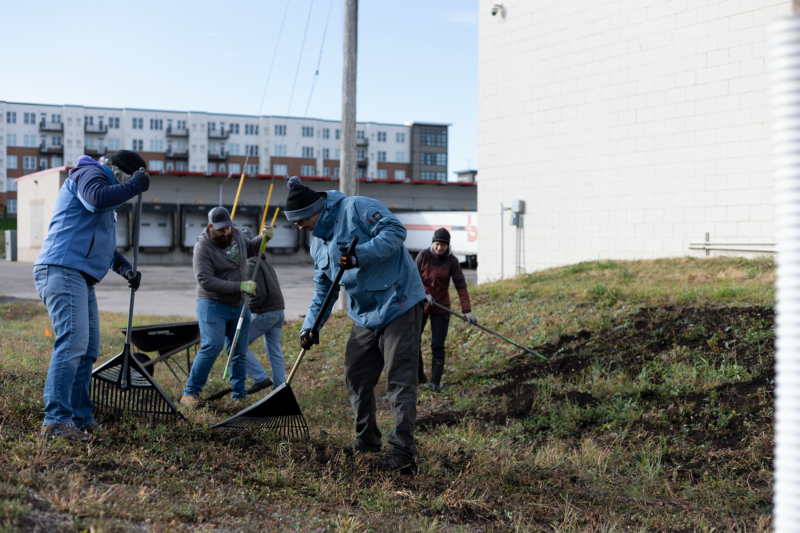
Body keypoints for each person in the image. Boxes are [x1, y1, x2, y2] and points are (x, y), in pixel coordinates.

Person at [284, 176, 426, 474]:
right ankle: (367, 441)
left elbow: (396, 231)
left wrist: (360, 254)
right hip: (364, 314)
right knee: (356, 374)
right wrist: (310, 327)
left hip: (398, 301)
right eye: (294, 221)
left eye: (301, 219)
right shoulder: (318, 245)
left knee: (399, 381)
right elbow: (324, 291)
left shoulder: (357, 207)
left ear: (317, 208)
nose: (299, 226)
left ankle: (402, 452)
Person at [33, 150, 151, 441]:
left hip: (79, 276)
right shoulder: (90, 174)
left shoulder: (105, 191)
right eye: (126, 179)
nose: (125, 187)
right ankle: (56, 421)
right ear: (117, 171)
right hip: (61, 269)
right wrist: (136, 185)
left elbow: (102, 245)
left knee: (88, 349)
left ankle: (80, 417)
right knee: (73, 343)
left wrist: (124, 269)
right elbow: (95, 199)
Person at [181, 207, 273, 406]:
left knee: (239, 351)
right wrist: (239, 286)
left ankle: (238, 396)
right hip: (212, 304)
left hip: (239, 304)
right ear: (210, 227)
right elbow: (205, 280)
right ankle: (190, 393)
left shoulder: (237, 234)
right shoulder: (203, 247)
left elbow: (248, 249)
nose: (226, 233)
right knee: (212, 345)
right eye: (221, 230)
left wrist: (262, 238)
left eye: (228, 228)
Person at [415, 228, 478, 393]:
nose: (439, 248)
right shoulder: (423, 255)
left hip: (441, 308)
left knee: (437, 345)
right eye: (437, 244)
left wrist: (467, 310)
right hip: (421, 306)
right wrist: (423, 292)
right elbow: (413, 277)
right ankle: (419, 377)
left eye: (443, 245)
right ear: (433, 243)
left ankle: (435, 384)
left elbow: (461, 285)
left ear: (447, 245)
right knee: (413, 341)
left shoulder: (452, 261)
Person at [240, 226, 286, 393]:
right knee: (274, 352)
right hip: (278, 311)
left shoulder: (251, 262)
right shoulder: (264, 260)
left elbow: (259, 294)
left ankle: (260, 378)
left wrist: (247, 311)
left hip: (266, 312)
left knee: (238, 344)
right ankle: (280, 389)